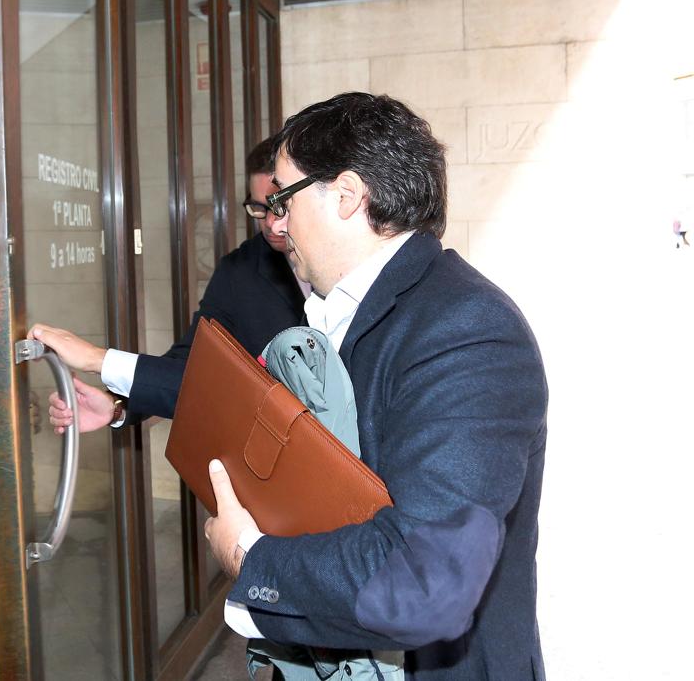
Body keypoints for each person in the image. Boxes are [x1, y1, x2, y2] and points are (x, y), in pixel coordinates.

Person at [202, 92, 548, 679]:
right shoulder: (341, 312)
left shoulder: (468, 330)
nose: (275, 223)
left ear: (345, 196)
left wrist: (251, 556)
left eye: (283, 199)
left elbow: (423, 583)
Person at [30, 135, 306, 430]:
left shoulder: (350, 263)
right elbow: (192, 366)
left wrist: (96, 359)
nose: (270, 223)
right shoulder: (239, 270)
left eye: (279, 206)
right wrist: (117, 407)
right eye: (258, 208)